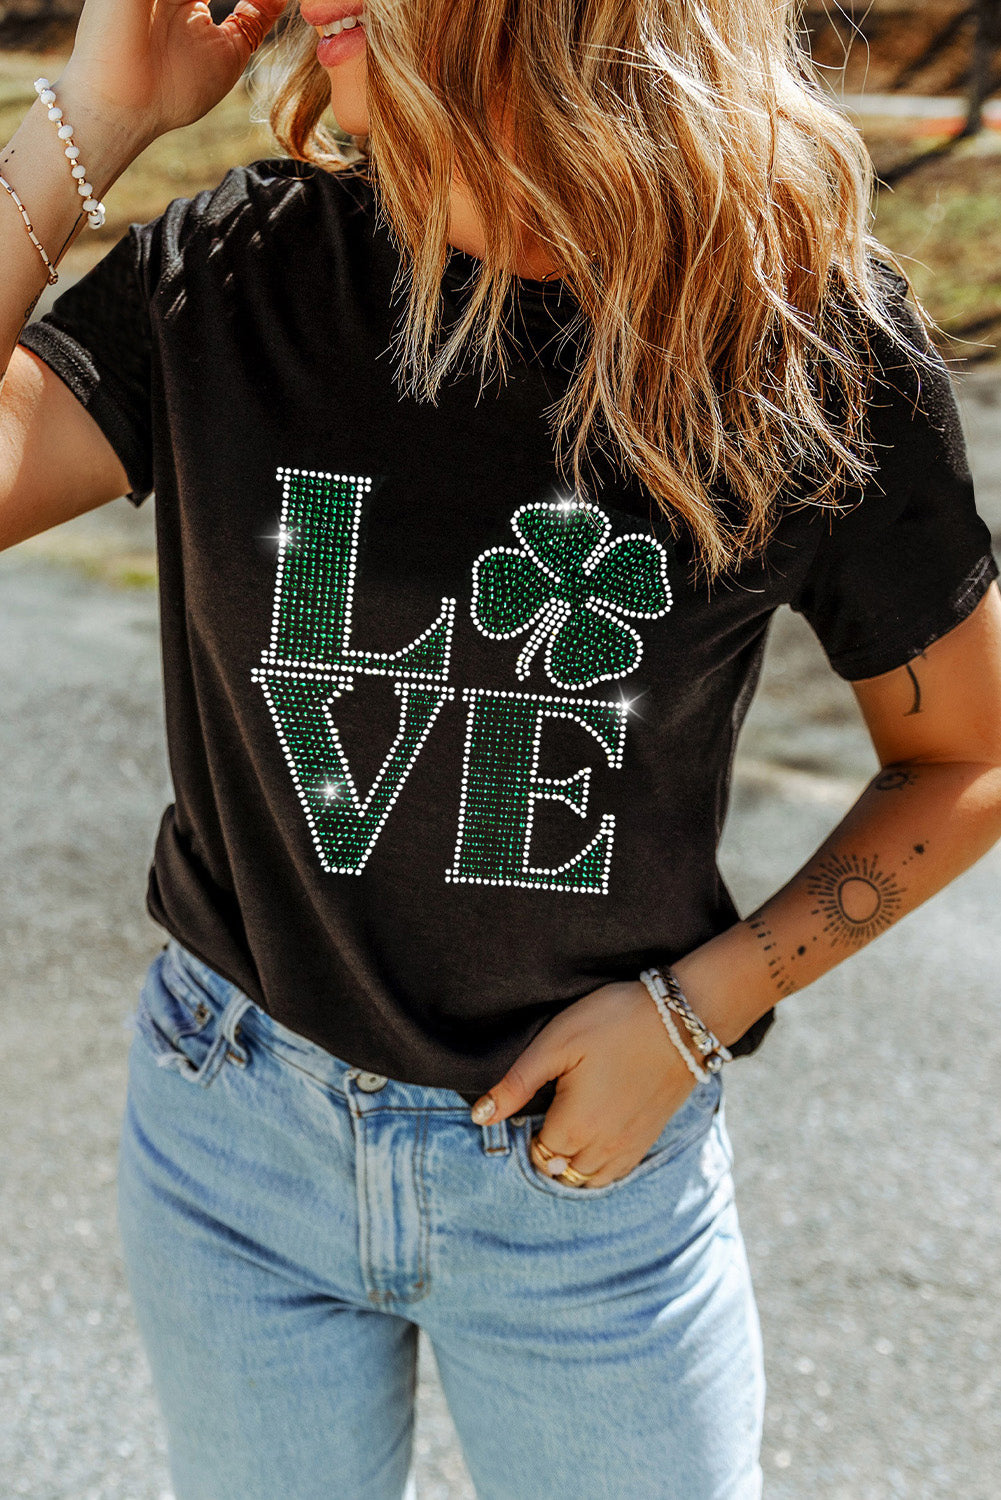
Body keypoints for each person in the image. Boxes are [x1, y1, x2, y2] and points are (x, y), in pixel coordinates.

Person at [2, 1, 1000, 1496]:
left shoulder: (803, 345)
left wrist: (700, 1011)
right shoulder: (243, 270)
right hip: (233, 1141)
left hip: (584, 1191)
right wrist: (96, 115)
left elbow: (965, 758)